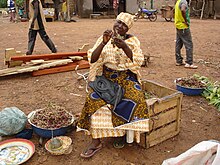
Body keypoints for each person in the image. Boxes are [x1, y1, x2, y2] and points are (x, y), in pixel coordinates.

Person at [77, 12, 149, 158]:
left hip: (126, 78)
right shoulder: (105, 38)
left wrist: (124, 47)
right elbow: (93, 58)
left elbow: (139, 61)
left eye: (124, 25)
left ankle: (122, 134)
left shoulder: (133, 41)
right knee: (93, 99)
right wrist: (103, 42)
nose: (120, 26)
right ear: (114, 22)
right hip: (107, 78)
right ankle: (96, 141)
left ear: (127, 29)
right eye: (118, 22)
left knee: (136, 99)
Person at [174, 0, 198, 69]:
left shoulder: (178, 1)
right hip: (183, 26)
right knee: (189, 44)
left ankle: (178, 61)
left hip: (178, 25)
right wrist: (186, 21)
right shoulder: (183, 2)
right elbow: (183, 10)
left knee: (178, 43)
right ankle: (189, 62)